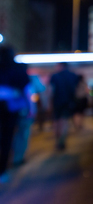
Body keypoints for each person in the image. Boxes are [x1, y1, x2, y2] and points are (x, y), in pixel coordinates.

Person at [0, 46, 30, 183]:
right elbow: (25, 89)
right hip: (10, 109)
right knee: (6, 139)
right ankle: (2, 170)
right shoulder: (17, 68)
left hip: (9, 108)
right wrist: (29, 108)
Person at [12, 75, 44, 166]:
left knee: (16, 136)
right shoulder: (28, 86)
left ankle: (14, 157)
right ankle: (19, 157)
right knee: (23, 135)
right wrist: (32, 113)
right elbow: (31, 101)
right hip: (25, 113)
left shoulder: (12, 85)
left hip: (15, 113)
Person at [49, 63, 79, 151]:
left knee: (57, 121)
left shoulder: (55, 76)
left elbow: (51, 90)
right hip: (69, 102)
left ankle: (58, 140)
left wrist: (49, 104)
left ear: (61, 66)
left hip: (56, 102)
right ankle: (62, 141)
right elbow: (75, 89)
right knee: (64, 121)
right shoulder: (73, 76)